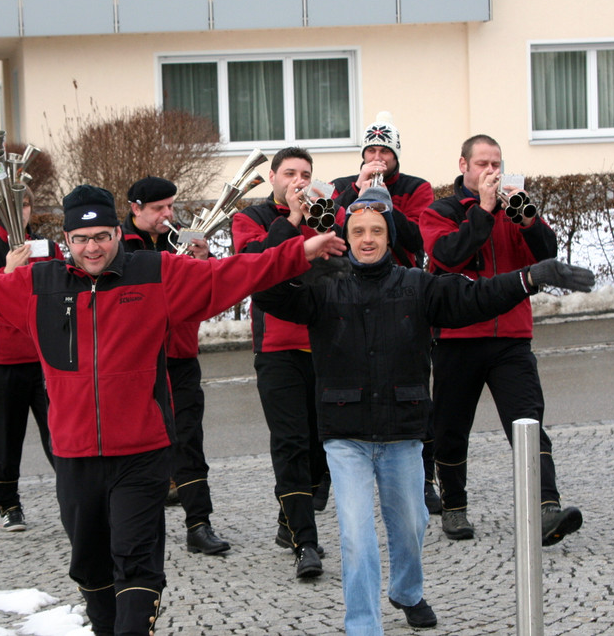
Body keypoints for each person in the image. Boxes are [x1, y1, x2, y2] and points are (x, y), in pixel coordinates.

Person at [0, 184, 345, 636]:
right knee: (90, 567)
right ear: (66, 239)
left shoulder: (155, 273)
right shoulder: (37, 285)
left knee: (136, 560)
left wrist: (300, 251)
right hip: (74, 455)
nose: (92, 248)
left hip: (142, 451)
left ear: (117, 232)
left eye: (102, 237)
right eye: (81, 239)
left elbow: (235, 273)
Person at [253, 185, 595, 635]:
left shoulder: (418, 285)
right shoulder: (322, 287)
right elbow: (264, 286)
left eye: (377, 230)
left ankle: (407, 591)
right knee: (356, 536)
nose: (368, 239)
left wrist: (530, 277)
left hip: (403, 432)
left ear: (390, 236)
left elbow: (477, 297)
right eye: (358, 231)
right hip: (346, 435)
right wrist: (296, 244)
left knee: (411, 526)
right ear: (346, 237)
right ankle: (363, 626)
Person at [419, 134, 585, 546]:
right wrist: (484, 210)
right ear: (463, 166)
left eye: (496, 164)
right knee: (451, 427)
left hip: (511, 336)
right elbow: (448, 255)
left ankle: (546, 507)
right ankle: (454, 506)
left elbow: (546, 254)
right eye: (482, 164)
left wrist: (528, 220)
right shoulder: (441, 211)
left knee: (528, 422)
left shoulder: (513, 207)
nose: (491, 171)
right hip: (458, 336)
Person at [331, 112, 442, 514]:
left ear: (396, 155)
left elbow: (417, 238)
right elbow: (331, 230)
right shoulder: (344, 185)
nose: (378, 157)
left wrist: (383, 205)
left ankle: (424, 478)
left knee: (415, 391)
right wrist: (355, 194)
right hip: (355, 296)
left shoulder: (417, 188)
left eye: (385, 151)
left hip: (403, 296)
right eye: (371, 150)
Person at [231, 147, 330, 579]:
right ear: (273, 178)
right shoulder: (250, 218)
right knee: (291, 443)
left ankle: (289, 519)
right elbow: (256, 266)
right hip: (277, 348)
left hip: (324, 342)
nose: (298, 181)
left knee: (321, 447)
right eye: (290, 173)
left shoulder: (324, 211)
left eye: (305, 174)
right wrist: (291, 219)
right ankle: (305, 541)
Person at [121, 175, 230, 555]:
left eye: (170, 206)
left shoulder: (182, 236)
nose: (168, 215)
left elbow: (210, 290)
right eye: (158, 209)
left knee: (189, 442)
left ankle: (199, 524)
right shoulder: (118, 243)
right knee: (138, 448)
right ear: (135, 209)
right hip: (136, 362)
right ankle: (136, 530)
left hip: (179, 356)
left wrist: (204, 261)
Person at [0, 187, 60, 531]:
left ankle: (77, 494)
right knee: (5, 438)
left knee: (60, 434)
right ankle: (8, 503)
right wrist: (8, 273)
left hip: (45, 358)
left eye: (24, 204)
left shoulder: (47, 247)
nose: (20, 211)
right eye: (12, 204)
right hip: (3, 360)